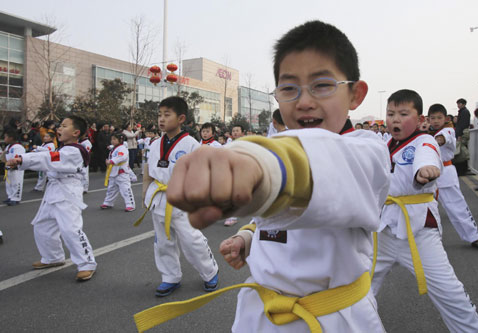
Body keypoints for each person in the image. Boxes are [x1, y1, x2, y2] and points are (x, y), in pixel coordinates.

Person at [135, 20, 390, 333]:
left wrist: (262, 169)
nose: (304, 100)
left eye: (322, 85)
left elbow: (313, 170)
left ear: (355, 94)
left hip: (333, 320)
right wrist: (249, 237)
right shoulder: (276, 147)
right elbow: (285, 220)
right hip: (260, 316)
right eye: (288, 88)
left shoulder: (367, 150)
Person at [371, 90, 478, 332]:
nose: (395, 119)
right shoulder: (385, 144)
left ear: (419, 118)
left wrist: (425, 170)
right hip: (383, 230)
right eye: (391, 113)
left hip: (417, 231)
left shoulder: (424, 142)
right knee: (358, 289)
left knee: (449, 294)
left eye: (403, 114)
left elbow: (427, 157)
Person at [138, 96, 219, 298]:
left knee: (192, 240)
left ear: (181, 118)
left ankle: (210, 271)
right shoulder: (155, 144)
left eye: (167, 115)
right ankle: (170, 276)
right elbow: (149, 169)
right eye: (159, 115)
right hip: (159, 197)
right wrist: (145, 193)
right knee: (163, 241)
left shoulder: (191, 144)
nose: (161, 120)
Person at [6, 116, 97, 281]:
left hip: (67, 191)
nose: (59, 129)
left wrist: (22, 160)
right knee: (42, 226)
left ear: (76, 132)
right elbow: (47, 155)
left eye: (64, 126)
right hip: (54, 190)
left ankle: (87, 263)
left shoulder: (75, 150)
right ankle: (53, 257)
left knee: (70, 229)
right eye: (59, 126)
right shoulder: (64, 148)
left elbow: (48, 159)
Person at [428, 103, 478, 253]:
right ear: (428, 119)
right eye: (433, 118)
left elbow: (441, 140)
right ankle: (425, 243)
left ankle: (475, 237)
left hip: (445, 173)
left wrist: (427, 141)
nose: (436, 120)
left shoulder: (448, 130)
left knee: (457, 207)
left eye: (439, 117)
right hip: (427, 176)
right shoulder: (424, 133)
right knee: (420, 209)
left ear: (445, 118)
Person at [100, 133, 135, 212]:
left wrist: (111, 161)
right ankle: (108, 202)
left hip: (121, 172)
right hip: (113, 172)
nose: (112, 141)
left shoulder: (122, 148)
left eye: (114, 139)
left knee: (125, 189)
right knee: (111, 189)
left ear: (121, 140)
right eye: (112, 139)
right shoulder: (114, 148)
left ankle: (130, 204)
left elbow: (122, 157)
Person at [224, 124, 247, 227]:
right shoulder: (229, 144)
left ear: (242, 132)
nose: (235, 132)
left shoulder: (246, 144)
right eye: (233, 131)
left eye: (237, 130)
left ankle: (233, 216)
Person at [2, 128, 25, 206]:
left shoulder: (18, 147)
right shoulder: (8, 146)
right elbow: (4, 157)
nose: (4, 139)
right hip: (8, 168)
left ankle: (16, 198)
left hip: (16, 169)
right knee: (9, 183)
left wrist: (12, 166)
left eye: (5, 137)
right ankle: (10, 196)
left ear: (11, 138)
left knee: (16, 182)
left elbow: (17, 159)